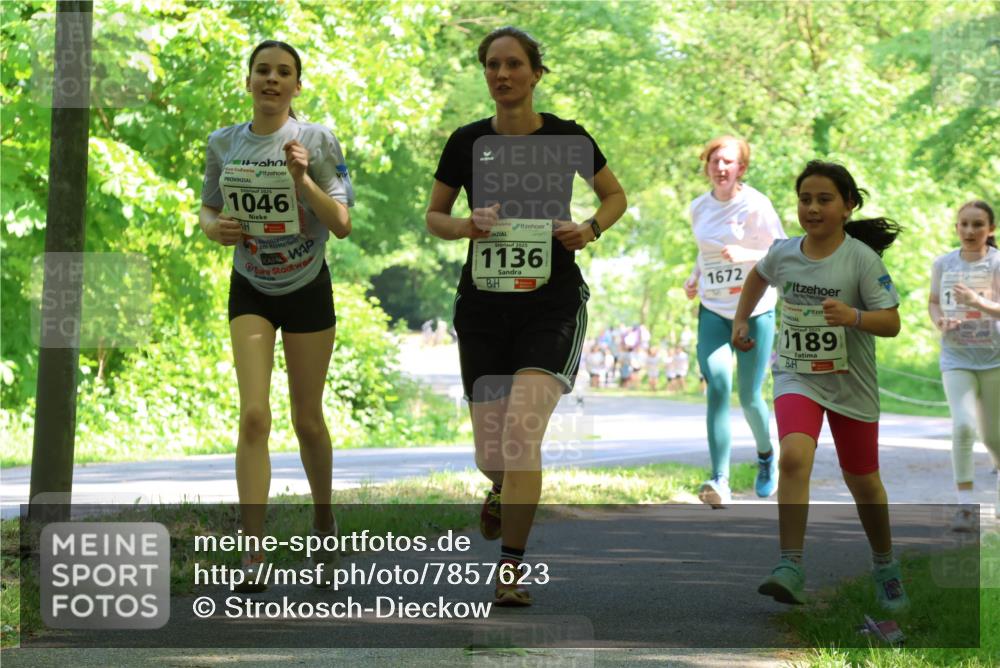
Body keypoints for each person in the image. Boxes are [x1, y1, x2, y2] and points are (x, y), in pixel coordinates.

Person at [425, 26, 626, 606]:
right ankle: (499, 492)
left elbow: (616, 196)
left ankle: (510, 572)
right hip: (485, 306)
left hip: (551, 303)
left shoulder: (568, 136)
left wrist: (588, 228)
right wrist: (466, 224)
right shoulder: (466, 142)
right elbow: (435, 215)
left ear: (536, 74)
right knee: (493, 456)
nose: (502, 74)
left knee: (520, 438)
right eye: (493, 64)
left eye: (514, 64)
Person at [200, 40, 353, 591]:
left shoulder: (316, 139)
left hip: (308, 286)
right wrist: (212, 228)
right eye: (262, 71)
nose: (271, 79)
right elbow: (210, 207)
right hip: (252, 287)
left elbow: (341, 222)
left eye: (283, 72)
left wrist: (302, 179)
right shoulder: (224, 142)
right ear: (248, 81)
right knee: (254, 416)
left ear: (296, 86)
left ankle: (323, 521)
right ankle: (254, 553)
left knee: (306, 419)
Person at [732, 160, 909, 611]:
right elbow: (758, 276)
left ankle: (885, 564)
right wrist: (740, 319)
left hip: (851, 384)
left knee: (864, 482)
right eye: (805, 199)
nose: (812, 208)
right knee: (794, 457)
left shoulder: (861, 261)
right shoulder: (784, 252)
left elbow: (891, 322)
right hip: (796, 375)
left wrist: (853, 317)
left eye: (824, 199)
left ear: (848, 206)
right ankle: (790, 565)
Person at [683, 136, 786, 505]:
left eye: (728, 162)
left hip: (755, 308)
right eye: (714, 161)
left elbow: (782, 250)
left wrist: (746, 253)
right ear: (707, 166)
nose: (720, 167)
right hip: (713, 307)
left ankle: (766, 456)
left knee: (749, 394)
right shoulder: (698, 207)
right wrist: (695, 276)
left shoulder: (756, 205)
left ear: (741, 168)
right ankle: (719, 480)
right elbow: (706, 252)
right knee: (718, 385)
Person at [928, 200, 1000, 531]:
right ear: (956, 227)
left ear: (991, 229)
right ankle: (966, 506)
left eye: (978, 225)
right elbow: (933, 303)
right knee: (963, 427)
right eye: (964, 224)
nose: (970, 231)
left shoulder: (997, 262)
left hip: (994, 359)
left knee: (994, 437)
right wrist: (940, 320)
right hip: (956, 357)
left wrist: (977, 302)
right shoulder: (943, 264)